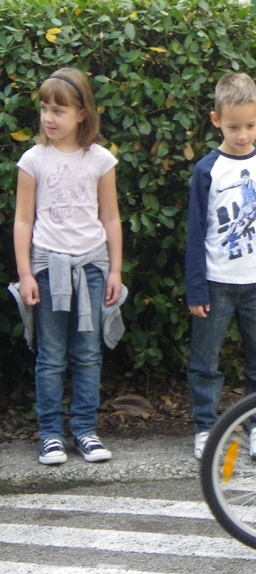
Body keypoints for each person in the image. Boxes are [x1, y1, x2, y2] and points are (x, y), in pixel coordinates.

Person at [10, 67, 125, 465]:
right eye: (44, 108)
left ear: (81, 114)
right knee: (51, 355)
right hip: (48, 269)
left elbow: (111, 218)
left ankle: (86, 430)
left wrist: (114, 270)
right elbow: (23, 220)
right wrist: (26, 273)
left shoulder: (100, 160)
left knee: (88, 353)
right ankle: (51, 435)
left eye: (58, 110)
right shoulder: (33, 160)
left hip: (91, 267)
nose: (49, 117)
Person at [185, 73, 256, 459]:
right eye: (233, 127)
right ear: (216, 120)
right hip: (216, 283)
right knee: (205, 361)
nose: (242, 135)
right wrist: (196, 288)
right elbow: (196, 233)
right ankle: (206, 427)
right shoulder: (207, 171)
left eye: (249, 126)